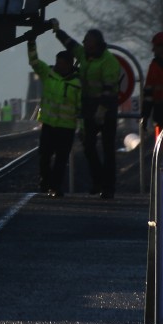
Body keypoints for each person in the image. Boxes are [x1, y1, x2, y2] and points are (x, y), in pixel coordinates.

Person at [50, 19, 121, 198]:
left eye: (87, 41)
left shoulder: (109, 62)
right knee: (88, 146)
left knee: (108, 148)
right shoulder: (84, 55)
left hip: (106, 107)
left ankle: (108, 188)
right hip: (89, 106)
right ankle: (98, 181)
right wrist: (58, 31)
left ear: (95, 44)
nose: (83, 43)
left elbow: (109, 89)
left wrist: (102, 110)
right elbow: (70, 44)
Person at [27, 36, 81, 197]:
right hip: (49, 124)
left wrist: (83, 127)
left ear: (69, 65)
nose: (57, 65)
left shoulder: (77, 83)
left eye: (61, 63)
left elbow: (81, 106)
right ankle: (45, 182)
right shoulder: (49, 74)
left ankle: (55, 186)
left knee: (61, 159)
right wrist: (31, 43)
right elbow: (34, 62)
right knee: (44, 156)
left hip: (67, 127)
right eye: (57, 62)